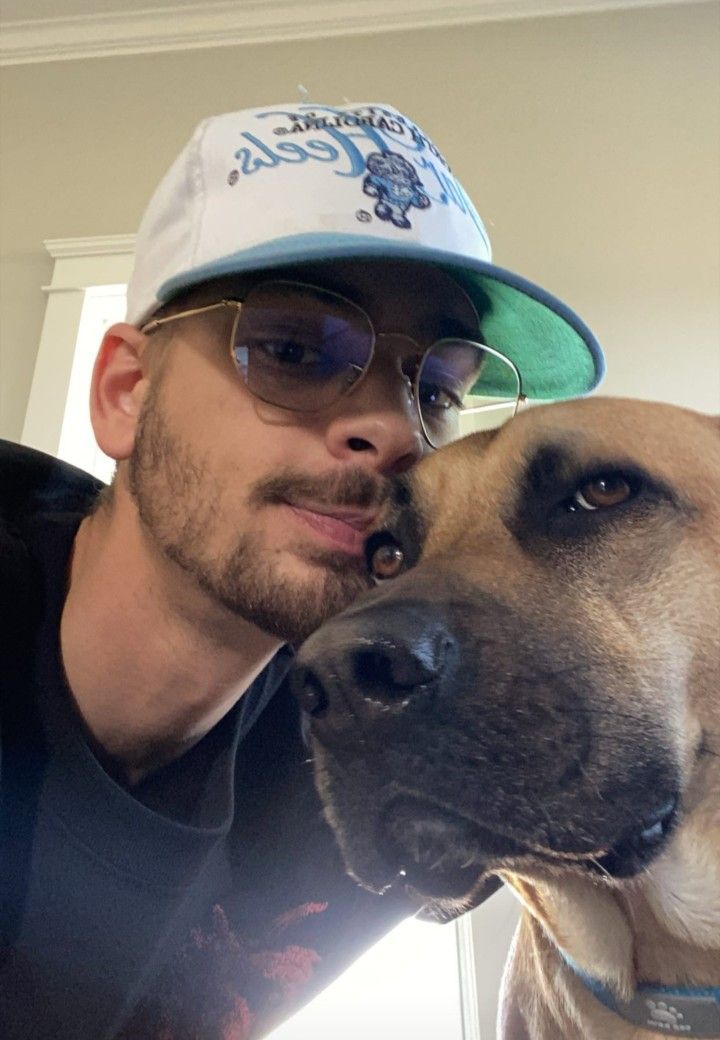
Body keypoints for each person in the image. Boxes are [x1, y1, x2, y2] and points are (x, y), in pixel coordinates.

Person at [0, 101, 604, 1040]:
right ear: (127, 393)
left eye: (436, 390)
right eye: (291, 351)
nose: (400, 430)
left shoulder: (391, 730)